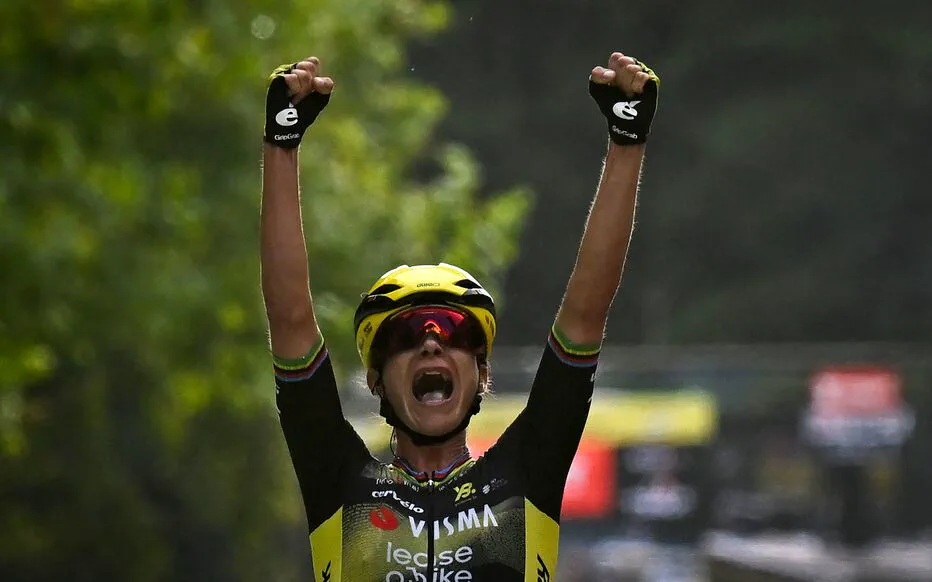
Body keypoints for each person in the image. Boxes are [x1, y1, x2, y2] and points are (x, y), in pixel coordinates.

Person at [261, 50, 659, 581]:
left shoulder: (525, 474)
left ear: (482, 373)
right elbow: (289, 318)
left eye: (455, 332)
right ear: (375, 379)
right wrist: (281, 143)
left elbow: (586, 313)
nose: (431, 342)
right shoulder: (341, 483)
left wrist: (627, 142)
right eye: (404, 335)